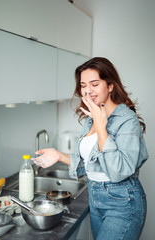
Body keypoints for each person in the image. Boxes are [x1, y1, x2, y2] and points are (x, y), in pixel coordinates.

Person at [32, 57, 149, 240]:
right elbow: (90, 162)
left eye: (94, 84)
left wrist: (102, 127)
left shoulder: (127, 120)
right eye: (83, 85)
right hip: (96, 198)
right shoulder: (90, 118)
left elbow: (119, 171)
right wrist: (58, 155)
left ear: (110, 85)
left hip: (123, 202)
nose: (88, 91)